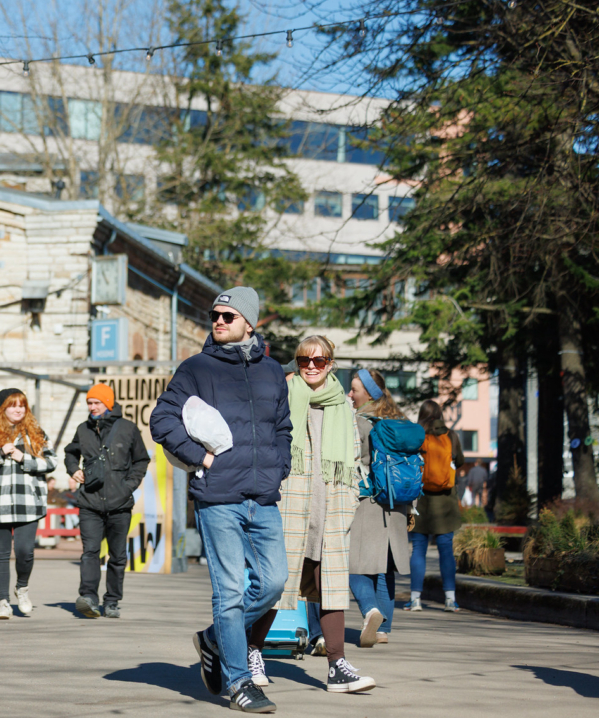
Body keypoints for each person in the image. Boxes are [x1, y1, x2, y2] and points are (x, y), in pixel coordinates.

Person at [150, 286, 291, 714]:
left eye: (228, 316)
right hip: (217, 497)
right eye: (215, 315)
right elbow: (161, 418)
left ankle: (213, 639)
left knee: (273, 583)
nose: (218, 321)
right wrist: (200, 459)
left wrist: (278, 467)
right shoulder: (195, 368)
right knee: (229, 591)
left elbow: (282, 427)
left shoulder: (271, 371)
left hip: (263, 496)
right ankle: (238, 682)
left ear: (249, 322)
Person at [247, 336, 376, 693]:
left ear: (331, 363)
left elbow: (352, 457)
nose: (313, 366)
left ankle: (337, 666)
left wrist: (349, 498)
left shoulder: (343, 406)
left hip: (331, 508)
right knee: (276, 584)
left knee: (332, 586)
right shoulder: (283, 397)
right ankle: (250, 651)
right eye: (305, 360)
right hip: (290, 504)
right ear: (297, 363)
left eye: (320, 360)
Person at [64, 383, 150, 619]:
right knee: (90, 552)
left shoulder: (128, 429)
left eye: (97, 403)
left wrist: (129, 485)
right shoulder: (83, 429)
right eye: (89, 403)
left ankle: (112, 601)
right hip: (89, 502)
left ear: (108, 404)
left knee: (117, 555)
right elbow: (70, 452)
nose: (92, 407)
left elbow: (141, 460)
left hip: (119, 503)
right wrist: (73, 469)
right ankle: (89, 598)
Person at [0, 389, 57, 619]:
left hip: (29, 503)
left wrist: (23, 458)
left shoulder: (36, 432)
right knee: (0, 554)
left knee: (24, 551)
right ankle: (3, 602)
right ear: (3, 408)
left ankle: (22, 587)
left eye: (22, 405)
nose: (18, 409)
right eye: (12, 405)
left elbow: (52, 462)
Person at [346, 369, 411, 646]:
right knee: (386, 569)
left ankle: (370, 611)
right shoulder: (399, 420)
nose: (350, 394)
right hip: (398, 503)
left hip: (367, 501)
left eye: (354, 390)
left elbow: (350, 459)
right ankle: (384, 629)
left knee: (355, 566)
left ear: (369, 394)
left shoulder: (358, 421)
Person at [409, 401, 465, 611]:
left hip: (420, 500)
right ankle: (450, 599)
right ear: (440, 415)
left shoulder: (416, 435)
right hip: (446, 503)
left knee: (418, 550)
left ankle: (415, 599)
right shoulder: (451, 436)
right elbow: (459, 461)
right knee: (446, 550)